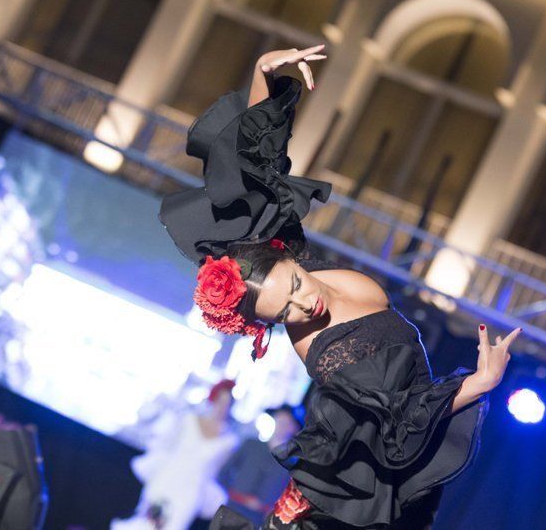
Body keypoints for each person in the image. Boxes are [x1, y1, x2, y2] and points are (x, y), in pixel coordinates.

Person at [158, 45, 519, 529]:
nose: (305, 303)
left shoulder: (285, 251)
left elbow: (252, 172)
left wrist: (263, 69)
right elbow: (395, 427)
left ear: (285, 254)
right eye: (286, 313)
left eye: (294, 285)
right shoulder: (339, 365)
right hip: (342, 512)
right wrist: (479, 383)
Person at [111, 379, 241, 530]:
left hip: (190, 491)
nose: (222, 407)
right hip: (167, 478)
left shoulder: (229, 442)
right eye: (220, 401)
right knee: (146, 520)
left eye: (227, 404)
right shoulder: (189, 420)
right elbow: (165, 444)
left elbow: (218, 471)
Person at [216, 405, 302, 526]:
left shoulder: (293, 467)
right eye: (281, 419)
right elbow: (223, 473)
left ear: (294, 429)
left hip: (257, 520)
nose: (283, 425)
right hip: (231, 508)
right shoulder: (251, 445)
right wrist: (232, 493)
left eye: (288, 422)